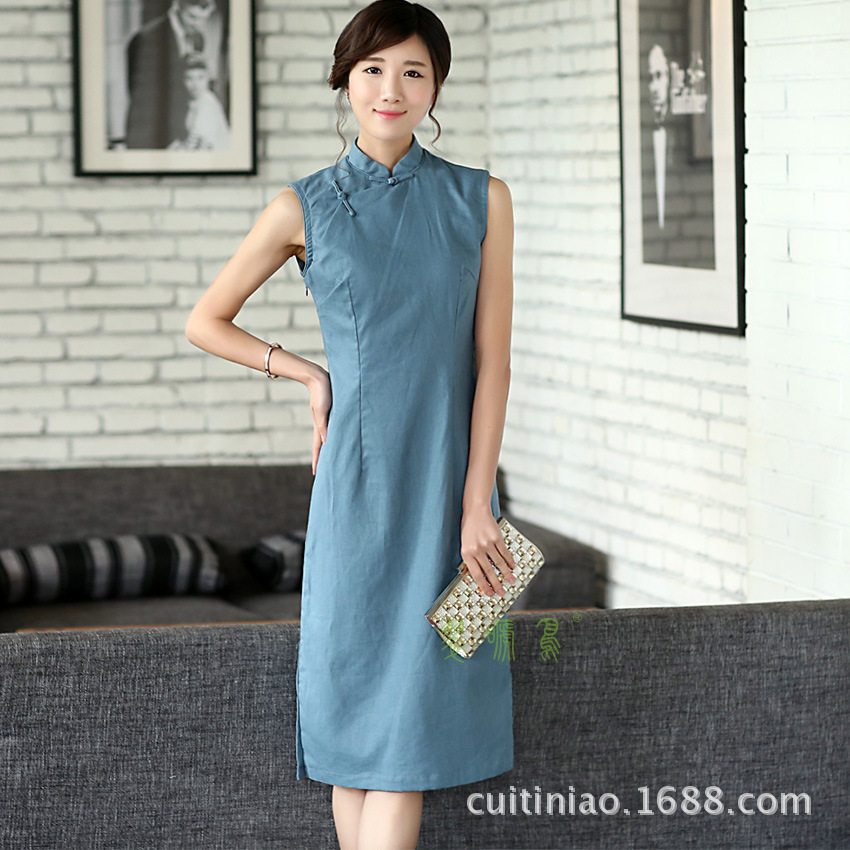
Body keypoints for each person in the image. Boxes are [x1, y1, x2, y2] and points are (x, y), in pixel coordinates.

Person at [184, 2, 516, 847]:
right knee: (355, 737)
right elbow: (206, 320)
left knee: (412, 734)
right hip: (356, 492)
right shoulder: (303, 207)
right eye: (373, 69)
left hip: (453, 496)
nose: (391, 88)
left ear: (436, 86)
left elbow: (493, 364)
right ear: (345, 80)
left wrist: (478, 505)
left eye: (413, 71)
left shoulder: (482, 199)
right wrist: (306, 372)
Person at [125, 0, 219, 149]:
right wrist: (171, 140)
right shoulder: (146, 39)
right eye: (192, 17)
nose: (198, 25)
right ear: (177, 6)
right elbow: (141, 100)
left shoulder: (198, 39)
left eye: (203, 19)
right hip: (151, 137)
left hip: (185, 136)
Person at [168, 53, 231, 150]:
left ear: (208, 78)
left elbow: (195, 148)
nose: (195, 84)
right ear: (182, 80)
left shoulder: (207, 105)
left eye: (200, 77)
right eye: (189, 78)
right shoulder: (194, 101)